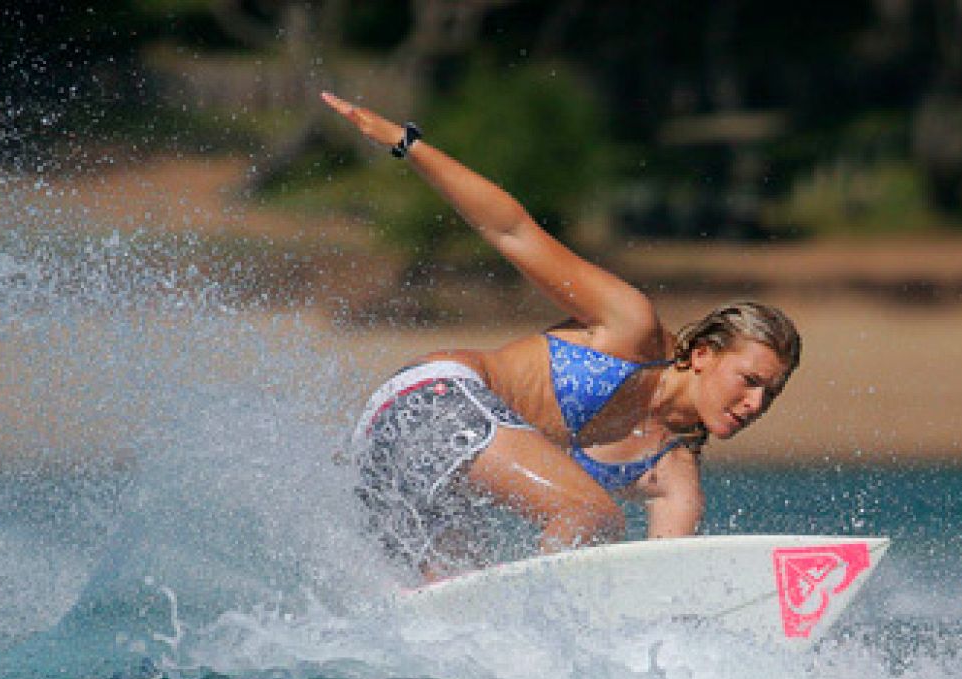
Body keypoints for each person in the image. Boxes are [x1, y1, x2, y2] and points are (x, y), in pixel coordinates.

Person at [322, 92, 801, 580]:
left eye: (771, 393)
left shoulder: (674, 477)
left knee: (460, 624)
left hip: (396, 461)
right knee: (593, 515)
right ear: (702, 355)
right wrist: (407, 143)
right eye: (750, 379)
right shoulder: (630, 328)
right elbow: (513, 231)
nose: (756, 403)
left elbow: (664, 587)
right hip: (426, 403)